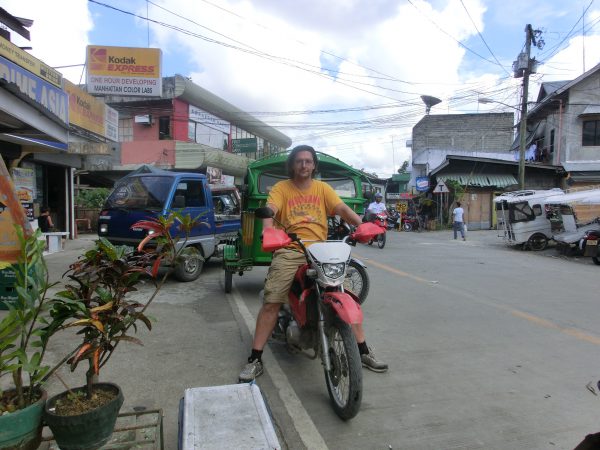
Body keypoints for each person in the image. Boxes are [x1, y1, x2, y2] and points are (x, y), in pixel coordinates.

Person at [239, 145, 388, 382]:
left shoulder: (322, 188)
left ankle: (363, 351)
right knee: (272, 301)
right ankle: (255, 358)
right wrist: (269, 232)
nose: (304, 165)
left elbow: (340, 208)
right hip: (291, 249)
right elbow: (271, 210)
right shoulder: (281, 188)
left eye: (308, 161)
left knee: (347, 294)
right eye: (299, 161)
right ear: (293, 165)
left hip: (321, 249)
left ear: (314, 165)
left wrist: (361, 225)